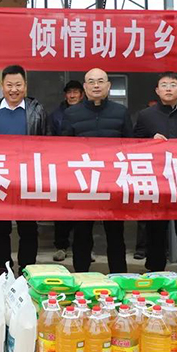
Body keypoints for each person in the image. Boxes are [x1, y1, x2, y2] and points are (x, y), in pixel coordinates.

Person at [0, 64, 49, 275]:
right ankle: (3, 268)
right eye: (9, 85)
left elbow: (48, 143)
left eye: (18, 85)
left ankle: (27, 269)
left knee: (28, 228)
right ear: (2, 86)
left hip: (27, 178)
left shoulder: (37, 111)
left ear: (25, 86)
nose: (13, 90)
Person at [61, 68, 133, 273]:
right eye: (91, 82)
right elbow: (62, 148)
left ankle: (119, 276)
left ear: (108, 86)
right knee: (82, 234)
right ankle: (82, 277)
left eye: (100, 81)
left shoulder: (121, 112)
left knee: (115, 234)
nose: (96, 85)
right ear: (85, 87)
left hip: (113, 183)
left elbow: (131, 146)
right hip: (83, 183)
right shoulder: (71, 114)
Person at [134, 72, 177, 277]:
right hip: (157, 180)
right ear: (157, 90)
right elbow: (133, 144)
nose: (168, 88)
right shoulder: (146, 115)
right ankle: (155, 272)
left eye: (173, 85)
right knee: (155, 230)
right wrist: (150, 141)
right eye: (164, 85)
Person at [48, 79, 85, 262]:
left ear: (82, 94)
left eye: (75, 92)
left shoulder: (88, 113)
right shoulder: (56, 115)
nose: (72, 95)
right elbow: (49, 138)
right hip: (63, 167)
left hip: (85, 167)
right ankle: (61, 246)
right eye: (69, 92)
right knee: (62, 209)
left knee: (84, 209)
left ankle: (84, 247)